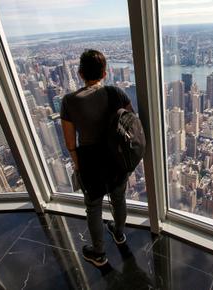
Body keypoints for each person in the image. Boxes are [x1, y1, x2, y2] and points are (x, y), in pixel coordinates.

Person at [60, 49, 133, 267]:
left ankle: (99, 253)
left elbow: (70, 142)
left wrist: (76, 161)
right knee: (119, 198)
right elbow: (131, 122)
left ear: (80, 73)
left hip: (90, 162)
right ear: (105, 72)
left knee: (93, 207)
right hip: (116, 159)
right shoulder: (116, 93)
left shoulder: (69, 101)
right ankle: (119, 234)